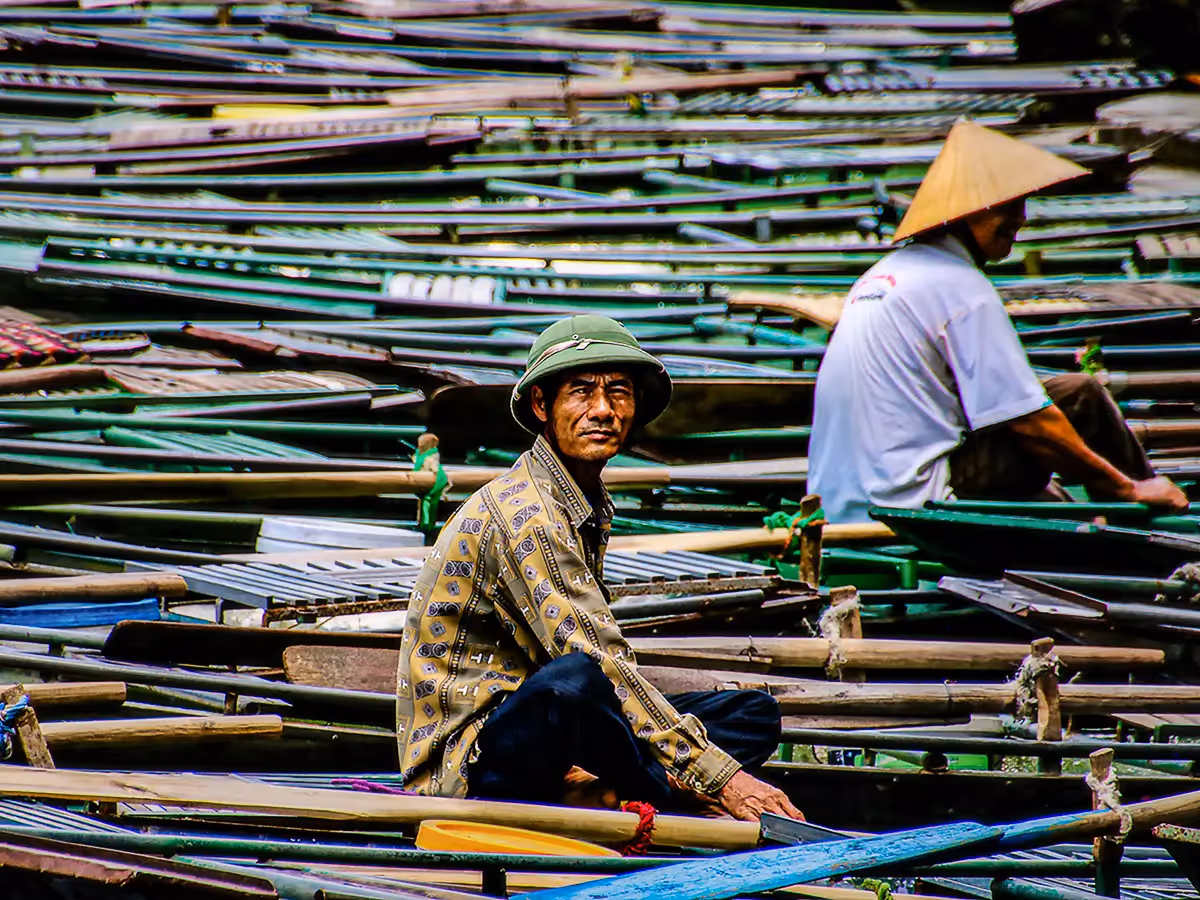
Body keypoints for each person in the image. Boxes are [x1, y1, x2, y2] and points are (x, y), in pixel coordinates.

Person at [396, 314, 802, 822]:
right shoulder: (528, 514)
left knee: (752, 714)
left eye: (619, 393)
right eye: (582, 392)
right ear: (543, 405)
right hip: (473, 764)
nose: (603, 410)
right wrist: (723, 777)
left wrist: (696, 759)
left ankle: (618, 784)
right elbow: (595, 660)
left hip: (560, 733)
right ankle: (665, 792)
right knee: (577, 682)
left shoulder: (583, 500)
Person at [810, 121, 1188, 524]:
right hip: (913, 499)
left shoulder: (880, 276)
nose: (1020, 220)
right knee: (1080, 394)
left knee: (1054, 467)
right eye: (1006, 207)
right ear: (966, 213)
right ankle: (1144, 510)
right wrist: (1123, 486)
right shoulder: (959, 286)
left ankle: (1112, 503)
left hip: (842, 498)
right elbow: (1028, 420)